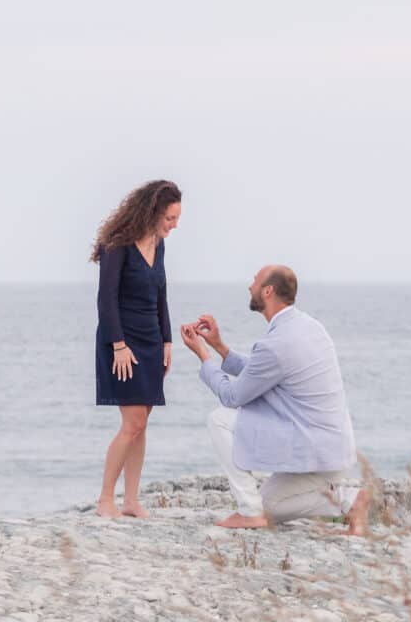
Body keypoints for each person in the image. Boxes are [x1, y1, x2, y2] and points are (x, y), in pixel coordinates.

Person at [180, 265, 370, 535]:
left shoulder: (277, 343)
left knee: (219, 420)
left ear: (267, 291)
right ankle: (349, 501)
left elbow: (232, 396)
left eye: (254, 280)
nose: (250, 285)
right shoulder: (309, 326)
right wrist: (219, 347)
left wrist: (203, 355)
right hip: (332, 453)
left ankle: (248, 512)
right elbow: (264, 370)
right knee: (268, 508)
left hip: (314, 451)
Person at [91, 180, 182, 519]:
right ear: (153, 211)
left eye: (176, 219)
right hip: (122, 343)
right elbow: (106, 300)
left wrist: (168, 341)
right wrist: (118, 346)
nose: (174, 226)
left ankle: (130, 500)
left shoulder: (158, 245)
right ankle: (105, 500)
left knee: (142, 423)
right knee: (133, 422)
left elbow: (161, 295)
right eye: (170, 218)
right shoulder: (116, 244)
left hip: (152, 341)